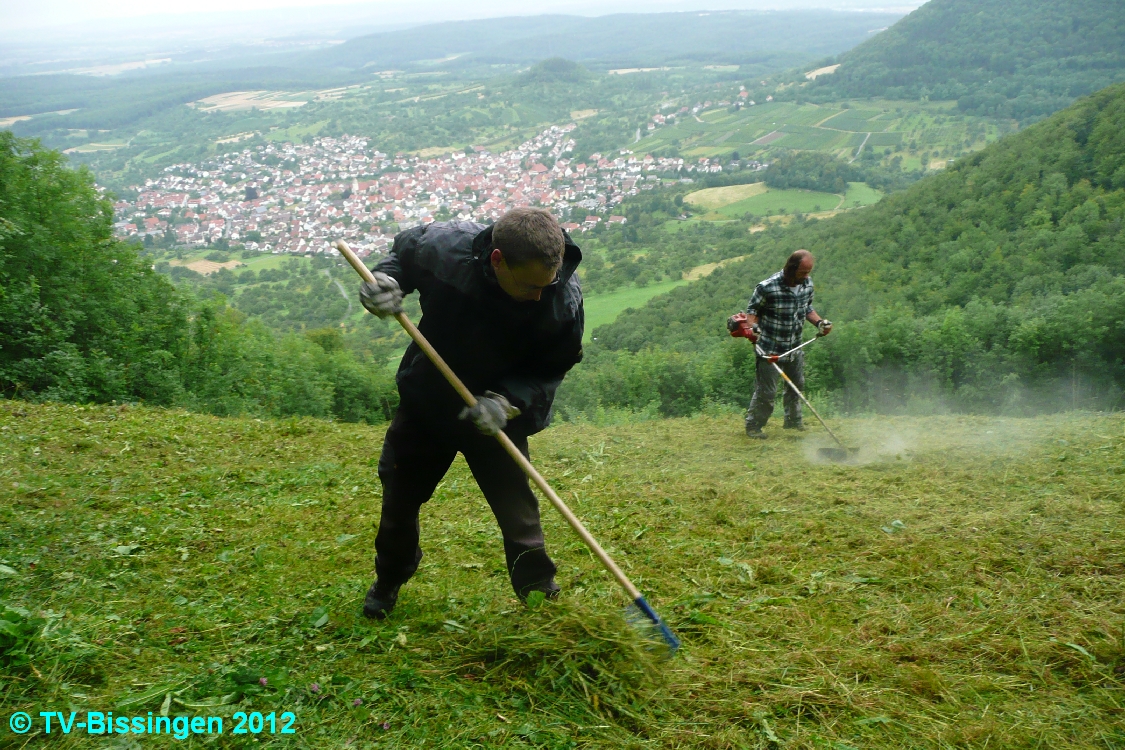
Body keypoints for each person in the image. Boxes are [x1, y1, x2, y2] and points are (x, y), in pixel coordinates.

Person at [356, 208, 584, 619]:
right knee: (400, 500)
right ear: (497, 259)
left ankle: (539, 598)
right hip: (429, 400)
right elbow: (402, 256)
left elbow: (553, 366)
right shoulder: (444, 248)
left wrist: (507, 401)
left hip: (497, 412)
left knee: (520, 517)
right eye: (529, 284)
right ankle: (388, 581)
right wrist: (386, 281)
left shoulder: (560, 299)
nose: (539, 294)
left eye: (546, 283)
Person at [735, 249, 831, 438]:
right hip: (770, 348)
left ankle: (793, 421)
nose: (806, 276)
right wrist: (753, 327)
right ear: (791, 269)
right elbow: (752, 311)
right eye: (803, 272)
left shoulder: (807, 284)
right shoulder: (767, 287)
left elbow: (807, 308)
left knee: (797, 385)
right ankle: (754, 426)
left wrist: (820, 323)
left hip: (795, 345)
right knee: (767, 392)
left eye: (809, 272)